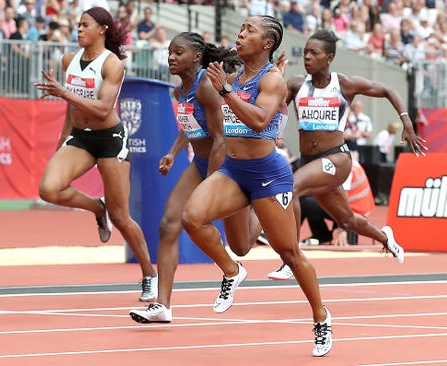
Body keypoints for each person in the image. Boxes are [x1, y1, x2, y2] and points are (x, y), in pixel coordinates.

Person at [180, 16, 332, 357]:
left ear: (267, 43)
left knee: (289, 253)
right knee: (195, 220)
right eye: (242, 28)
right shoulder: (235, 77)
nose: (242, 33)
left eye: (250, 30)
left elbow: (259, 119)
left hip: (268, 173)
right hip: (233, 170)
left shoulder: (272, 80)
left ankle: (321, 317)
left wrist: (226, 92)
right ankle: (232, 271)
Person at [267, 29, 427, 280]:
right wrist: (274, 78)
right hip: (311, 161)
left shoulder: (343, 85)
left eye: (314, 53)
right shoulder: (297, 85)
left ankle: (291, 256)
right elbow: (272, 109)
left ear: (328, 58)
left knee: (292, 187)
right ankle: (386, 237)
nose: (307, 57)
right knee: (347, 220)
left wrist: (406, 121)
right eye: (306, 52)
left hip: (337, 158)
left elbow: (386, 90)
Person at [128, 32, 261, 324]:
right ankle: (162, 305)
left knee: (241, 246)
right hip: (201, 164)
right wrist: (174, 152)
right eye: (170, 53)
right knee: (168, 224)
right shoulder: (181, 90)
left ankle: (259, 204)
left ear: (196, 57)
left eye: (178, 53)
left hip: (226, 166)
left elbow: (221, 139)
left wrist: (212, 185)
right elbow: (189, 125)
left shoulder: (206, 87)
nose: (171, 58)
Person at [34, 7, 158, 302]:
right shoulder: (69, 60)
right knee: (49, 189)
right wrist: (63, 138)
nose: (78, 30)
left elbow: (103, 108)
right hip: (80, 138)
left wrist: (64, 92)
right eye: (76, 25)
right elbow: (72, 108)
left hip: (110, 140)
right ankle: (96, 208)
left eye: (84, 25)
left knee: (122, 216)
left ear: (102, 29)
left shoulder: (112, 64)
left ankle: (149, 274)